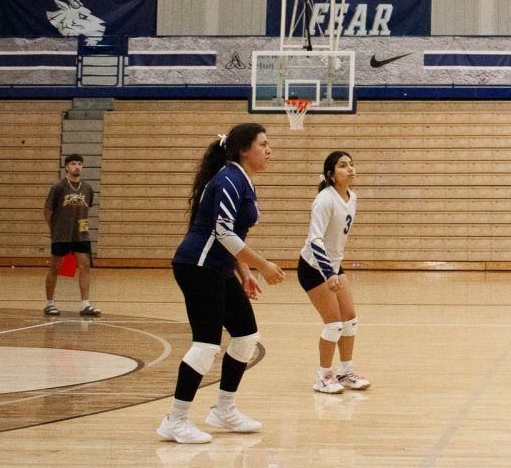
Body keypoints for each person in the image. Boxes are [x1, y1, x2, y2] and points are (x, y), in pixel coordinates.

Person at [157, 123, 286, 445]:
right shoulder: (228, 179)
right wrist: (263, 265)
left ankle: (223, 409)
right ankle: (175, 420)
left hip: (219, 268)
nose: (269, 150)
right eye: (263, 144)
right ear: (244, 150)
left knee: (245, 337)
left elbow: (232, 237)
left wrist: (243, 272)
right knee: (206, 345)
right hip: (197, 266)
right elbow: (223, 232)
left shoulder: (243, 180)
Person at [300, 150, 371, 394]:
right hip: (313, 266)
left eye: (352, 164)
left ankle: (345, 372)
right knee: (334, 324)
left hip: (334, 264)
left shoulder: (352, 197)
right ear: (331, 174)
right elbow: (315, 240)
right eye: (343, 166)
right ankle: (322, 376)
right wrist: (329, 272)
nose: (350, 169)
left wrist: (335, 268)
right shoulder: (324, 199)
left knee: (350, 320)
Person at [43, 153, 100, 317]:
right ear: (66, 167)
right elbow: (48, 210)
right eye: (73, 163)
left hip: (81, 233)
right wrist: (54, 229)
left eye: (80, 164)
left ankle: (85, 304)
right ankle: (49, 303)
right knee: (55, 267)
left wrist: (82, 227)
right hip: (61, 234)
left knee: (85, 266)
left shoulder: (87, 188)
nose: (77, 166)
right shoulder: (58, 187)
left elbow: (85, 209)